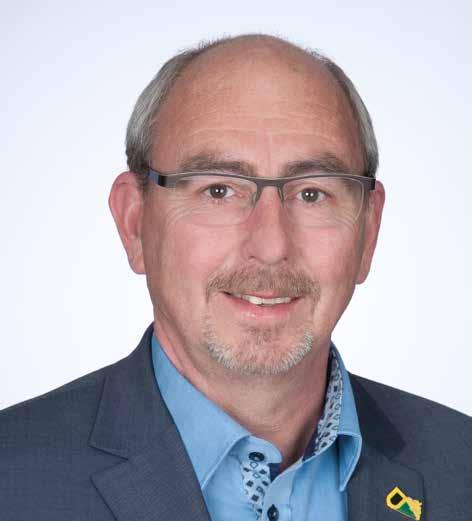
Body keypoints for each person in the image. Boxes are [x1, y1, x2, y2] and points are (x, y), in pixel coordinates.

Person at [1, 34, 470, 521]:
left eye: (312, 194)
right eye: (219, 190)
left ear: (368, 232)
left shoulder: (461, 467)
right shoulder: (12, 479)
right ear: (134, 222)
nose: (270, 246)